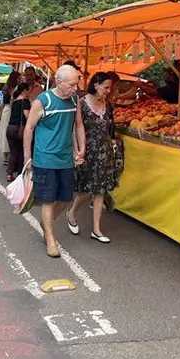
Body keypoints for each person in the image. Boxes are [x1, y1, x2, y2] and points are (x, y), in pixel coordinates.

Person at [22, 65, 85, 258]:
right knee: (48, 199)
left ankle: (46, 224)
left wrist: (82, 148)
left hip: (66, 158)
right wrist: (27, 157)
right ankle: (50, 238)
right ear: (59, 82)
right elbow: (29, 128)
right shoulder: (43, 101)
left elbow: (79, 124)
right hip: (45, 158)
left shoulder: (75, 100)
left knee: (65, 198)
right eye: (72, 85)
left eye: (77, 84)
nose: (75, 88)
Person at [68, 72, 118, 243]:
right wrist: (77, 150)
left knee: (100, 190)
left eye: (109, 88)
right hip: (87, 150)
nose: (108, 91)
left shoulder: (107, 104)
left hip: (104, 151)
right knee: (88, 189)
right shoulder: (81, 103)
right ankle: (72, 211)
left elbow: (109, 128)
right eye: (106, 87)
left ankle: (97, 229)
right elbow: (75, 128)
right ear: (96, 85)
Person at [5, 82, 31, 183]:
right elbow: (26, 115)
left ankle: (9, 173)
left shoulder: (15, 101)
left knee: (13, 152)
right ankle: (20, 174)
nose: (30, 92)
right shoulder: (25, 101)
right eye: (29, 90)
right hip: (19, 129)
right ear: (24, 90)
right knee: (21, 151)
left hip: (10, 128)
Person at [0, 71, 21, 165]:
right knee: (8, 132)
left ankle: (6, 156)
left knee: (5, 132)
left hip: (7, 110)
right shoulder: (13, 88)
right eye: (19, 78)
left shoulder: (7, 86)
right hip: (9, 110)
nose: (21, 79)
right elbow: (11, 101)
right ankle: (8, 156)